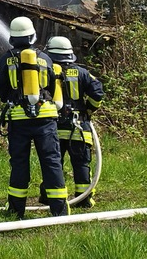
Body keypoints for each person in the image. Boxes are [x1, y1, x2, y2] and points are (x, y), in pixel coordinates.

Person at [0, 16, 68, 218]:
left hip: (18, 119)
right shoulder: (45, 58)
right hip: (45, 118)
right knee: (52, 161)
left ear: (12, 37)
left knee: (19, 162)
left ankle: (16, 210)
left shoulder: (5, 58)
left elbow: (1, 91)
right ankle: (59, 210)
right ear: (32, 36)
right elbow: (54, 88)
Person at [44, 35, 104, 208]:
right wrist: (89, 110)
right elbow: (97, 92)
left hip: (52, 127)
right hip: (79, 127)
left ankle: (49, 196)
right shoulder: (82, 73)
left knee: (53, 163)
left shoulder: (46, 71)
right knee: (81, 164)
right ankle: (83, 199)